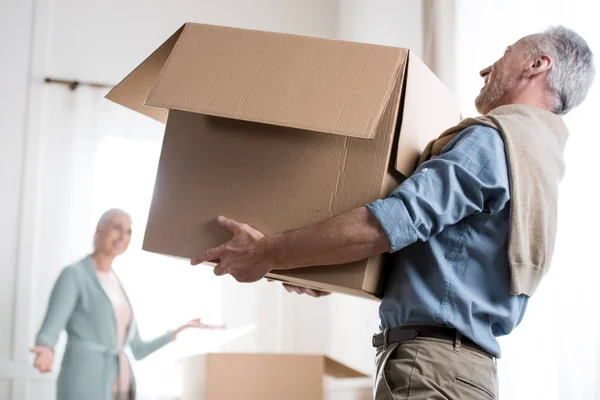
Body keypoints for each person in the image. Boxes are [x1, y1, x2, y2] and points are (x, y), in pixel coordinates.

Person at [189, 26, 595, 399]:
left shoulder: (491, 143)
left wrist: (268, 253)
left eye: (506, 53)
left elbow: (391, 223)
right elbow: (444, 266)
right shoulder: (535, 159)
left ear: (538, 64)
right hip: (459, 371)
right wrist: (317, 269)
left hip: (434, 368)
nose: (486, 69)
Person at [32, 209, 224, 400]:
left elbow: (138, 349)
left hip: (120, 382)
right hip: (83, 378)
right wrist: (45, 348)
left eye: (129, 231)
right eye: (117, 228)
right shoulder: (74, 274)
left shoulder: (117, 284)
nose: (123, 236)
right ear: (99, 230)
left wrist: (184, 327)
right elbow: (50, 329)